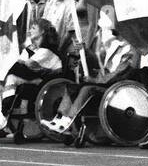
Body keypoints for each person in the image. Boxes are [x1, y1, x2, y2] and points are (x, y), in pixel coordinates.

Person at [46, 7, 138, 135]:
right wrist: (85, 51)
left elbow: (119, 73)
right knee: (72, 87)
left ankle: (68, 120)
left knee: (86, 89)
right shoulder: (114, 44)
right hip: (103, 82)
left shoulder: (130, 49)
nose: (110, 31)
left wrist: (95, 80)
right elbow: (100, 63)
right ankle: (59, 118)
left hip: (115, 87)